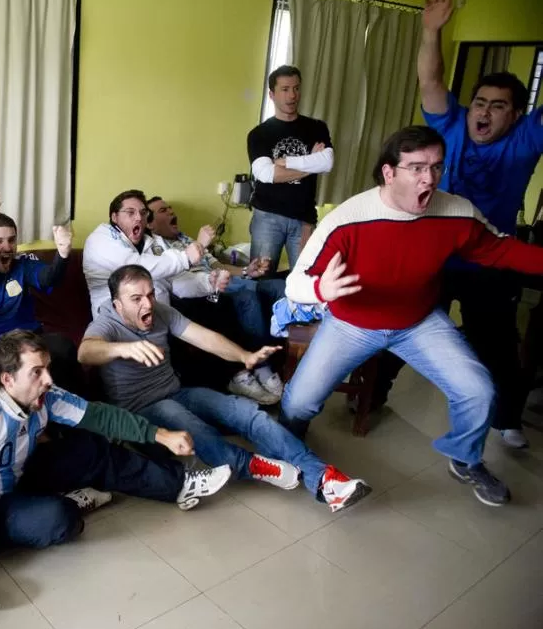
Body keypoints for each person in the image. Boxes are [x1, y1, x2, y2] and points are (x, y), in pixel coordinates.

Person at [280, 125, 543, 508]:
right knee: (298, 403)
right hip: (352, 324)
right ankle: (289, 443)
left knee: (478, 390)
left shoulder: (455, 211)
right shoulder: (349, 219)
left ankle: (465, 458)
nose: (429, 178)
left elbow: (500, 251)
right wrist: (322, 291)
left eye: (437, 167)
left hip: (417, 322)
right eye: (417, 168)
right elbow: (295, 284)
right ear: (389, 172)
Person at [373, 0, 543, 449]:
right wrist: (431, 29)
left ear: (516, 115)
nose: (484, 112)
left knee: (498, 344)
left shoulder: (527, 139)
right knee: (402, 323)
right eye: (480, 102)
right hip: (435, 253)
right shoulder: (453, 124)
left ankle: (506, 418)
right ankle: (372, 398)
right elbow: (430, 80)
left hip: (488, 259)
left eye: (498, 106)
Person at [0, 330, 232, 550]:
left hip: (21, 473)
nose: (49, 380)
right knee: (62, 519)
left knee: (90, 448)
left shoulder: (46, 394)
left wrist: (162, 435)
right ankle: (58, 504)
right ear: (7, 378)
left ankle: (180, 485)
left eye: (48, 368)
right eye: (37, 372)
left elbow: (100, 416)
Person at [77, 265, 370, 512]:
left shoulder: (161, 312)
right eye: (136, 298)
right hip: (142, 407)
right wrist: (124, 349)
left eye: (150, 294)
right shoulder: (106, 322)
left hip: (178, 391)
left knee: (248, 413)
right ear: (118, 304)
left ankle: (325, 480)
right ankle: (254, 465)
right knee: (198, 430)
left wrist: (245, 357)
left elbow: (205, 338)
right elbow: (86, 352)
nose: (147, 304)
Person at [146, 196, 286, 402]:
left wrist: (247, 270)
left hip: (226, 280)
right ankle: (260, 364)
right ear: (150, 224)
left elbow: (215, 264)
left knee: (278, 286)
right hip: (205, 291)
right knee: (247, 296)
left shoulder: (185, 238)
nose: (170, 212)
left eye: (169, 208)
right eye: (162, 211)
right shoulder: (156, 247)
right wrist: (201, 248)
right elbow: (178, 281)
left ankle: (292, 353)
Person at [0, 191, 79, 390]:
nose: (8, 247)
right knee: (6, 369)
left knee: (63, 346)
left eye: (11, 240)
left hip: (26, 340)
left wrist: (62, 255)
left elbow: (47, 279)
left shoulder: (23, 265)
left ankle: (72, 412)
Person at [247, 65, 334, 272]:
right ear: (272, 94)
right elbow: (267, 174)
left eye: (296, 88)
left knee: (306, 277)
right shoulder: (259, 134)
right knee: (261, 277)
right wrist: (312, 162)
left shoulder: (316, 127)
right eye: (285, 89)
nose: (292, 95)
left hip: (304, 217)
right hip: (267, 217)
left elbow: (328, 162)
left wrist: (284, 162)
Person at [83, 189, 202, 317]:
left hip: (158, 320)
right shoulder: (100, 238)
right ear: (115, 217)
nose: (139, 218)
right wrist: (185, 257)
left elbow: (174, 276)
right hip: (118, 321)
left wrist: (210, 282)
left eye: (143, 212)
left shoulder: (151, 241)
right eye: (130, 212)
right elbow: (135, 268)